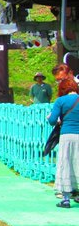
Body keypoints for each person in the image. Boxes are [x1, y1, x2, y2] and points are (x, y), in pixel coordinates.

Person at [47, 77, 79, 208]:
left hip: (66, 135)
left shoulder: (61, 101)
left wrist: (52, 118)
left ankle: (66, 199)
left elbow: (52, 120)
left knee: (65, 164)